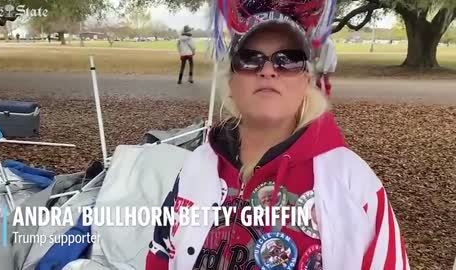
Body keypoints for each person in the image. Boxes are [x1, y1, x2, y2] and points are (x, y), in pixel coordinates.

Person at [146, 10, 409, 270]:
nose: (269, 70)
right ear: (231, 81)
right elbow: (159, 259)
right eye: (250, 59)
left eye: (288, 59)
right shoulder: (196, 166)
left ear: (307, 80)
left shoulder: (354, 185)